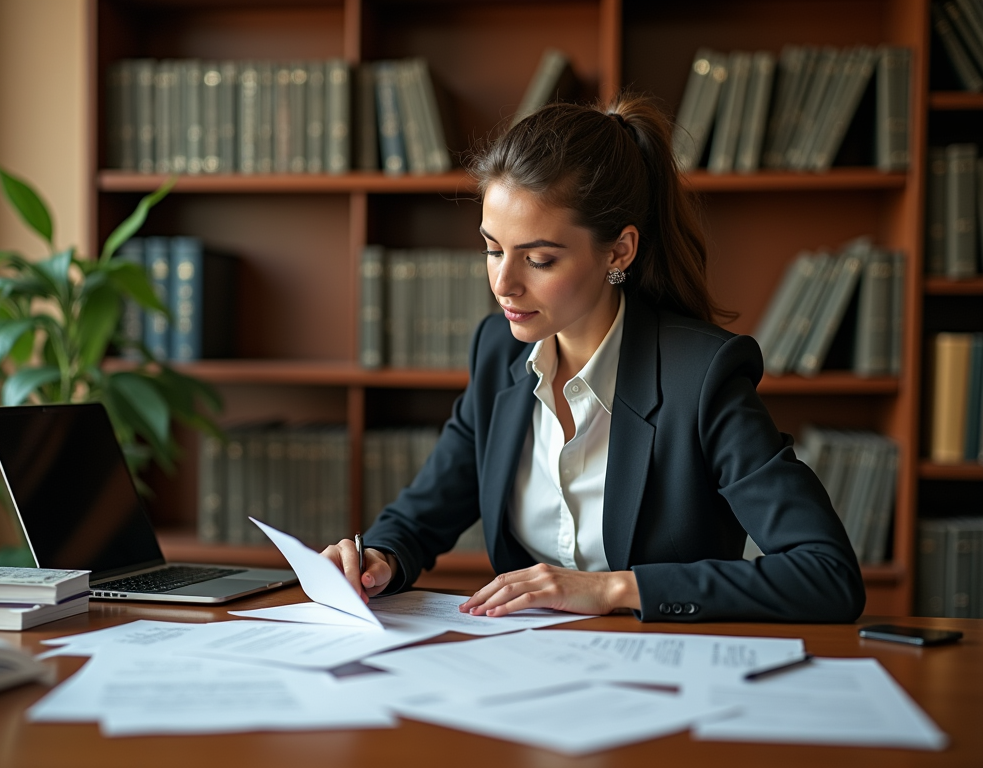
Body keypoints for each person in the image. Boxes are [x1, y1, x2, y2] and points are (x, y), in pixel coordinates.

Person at [322, 94, 866, 623]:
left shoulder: (701, 377)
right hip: (524, 672)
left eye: (538, 259)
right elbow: (422, 515)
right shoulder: (497, 353)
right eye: (492, 249)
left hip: (662, 675)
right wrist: (379, 560)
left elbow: (826, 574)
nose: (503, 284)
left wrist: (612, 589)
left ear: (618, 251)